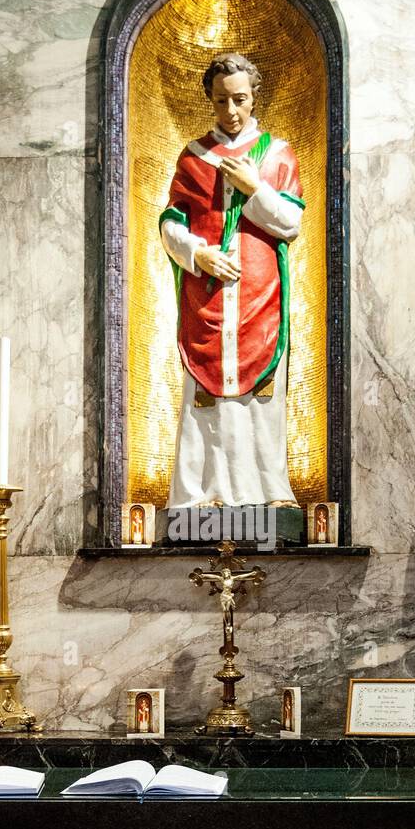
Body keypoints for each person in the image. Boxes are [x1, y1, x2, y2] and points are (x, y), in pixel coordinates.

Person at [159, 53, 305, 507]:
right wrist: (198, 254)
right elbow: (170, 224)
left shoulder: (277, 154)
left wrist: (253, 187)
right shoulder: (194, 157)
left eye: (239, 99)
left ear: (253, 96)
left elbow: (289, 223)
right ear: (210, 99)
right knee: (205, 401)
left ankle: (266, 495)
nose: (231, 111)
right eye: (221, 101)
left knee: (261, 400)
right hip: (208, 303)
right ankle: (202, 496)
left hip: (259, 300)